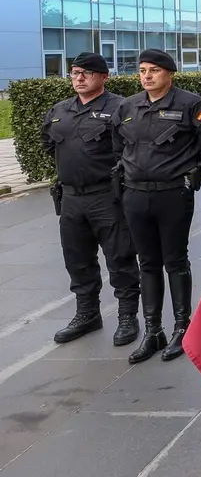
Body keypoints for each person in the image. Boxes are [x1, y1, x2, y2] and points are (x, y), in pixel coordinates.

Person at [112, 48, 201, 364]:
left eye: (154, 70)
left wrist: (193, 174)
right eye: (142, 70)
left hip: (172, 195)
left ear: (169, 73)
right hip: (135, 195)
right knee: (148, 263)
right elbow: (118, 145)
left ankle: (182, 328)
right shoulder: (129, 106)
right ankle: (153, 331)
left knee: (175, 261)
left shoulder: (189, 104)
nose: (147, 76)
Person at [41, 52, 140, 347]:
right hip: (71, 198)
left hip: (107, 196)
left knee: (120, 258)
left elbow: (131, 148)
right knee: (77, 260)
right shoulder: (60, 110)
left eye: (86, 73)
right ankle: (87, 314)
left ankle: (127, 317)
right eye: (74, 73)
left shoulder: (121, 107)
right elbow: (49, 144)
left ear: (103, 77)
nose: (79, 78)